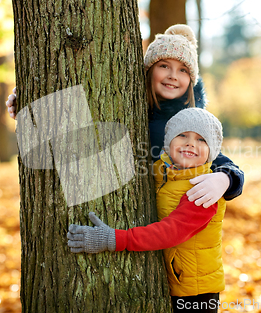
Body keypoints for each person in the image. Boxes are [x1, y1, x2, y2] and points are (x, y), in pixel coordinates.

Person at [6, 24, 244, 206]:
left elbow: (221, 160)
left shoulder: (190, 121)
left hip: (175, 217)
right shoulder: (127, 103)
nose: (173, 75)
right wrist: (30, 104)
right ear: (149, 70)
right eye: (164, 66)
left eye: (183, 70)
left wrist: (225, 179)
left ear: (191, 81)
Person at [68, 108, 226, 313]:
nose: (190, 143)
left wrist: (113, 239)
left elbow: (171, 232)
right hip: (175, 281)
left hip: (196, 292)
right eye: (183, 135)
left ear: (211, 152)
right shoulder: (162, 171)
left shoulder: (204, 189)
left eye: (201, 140)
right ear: (169, 140)